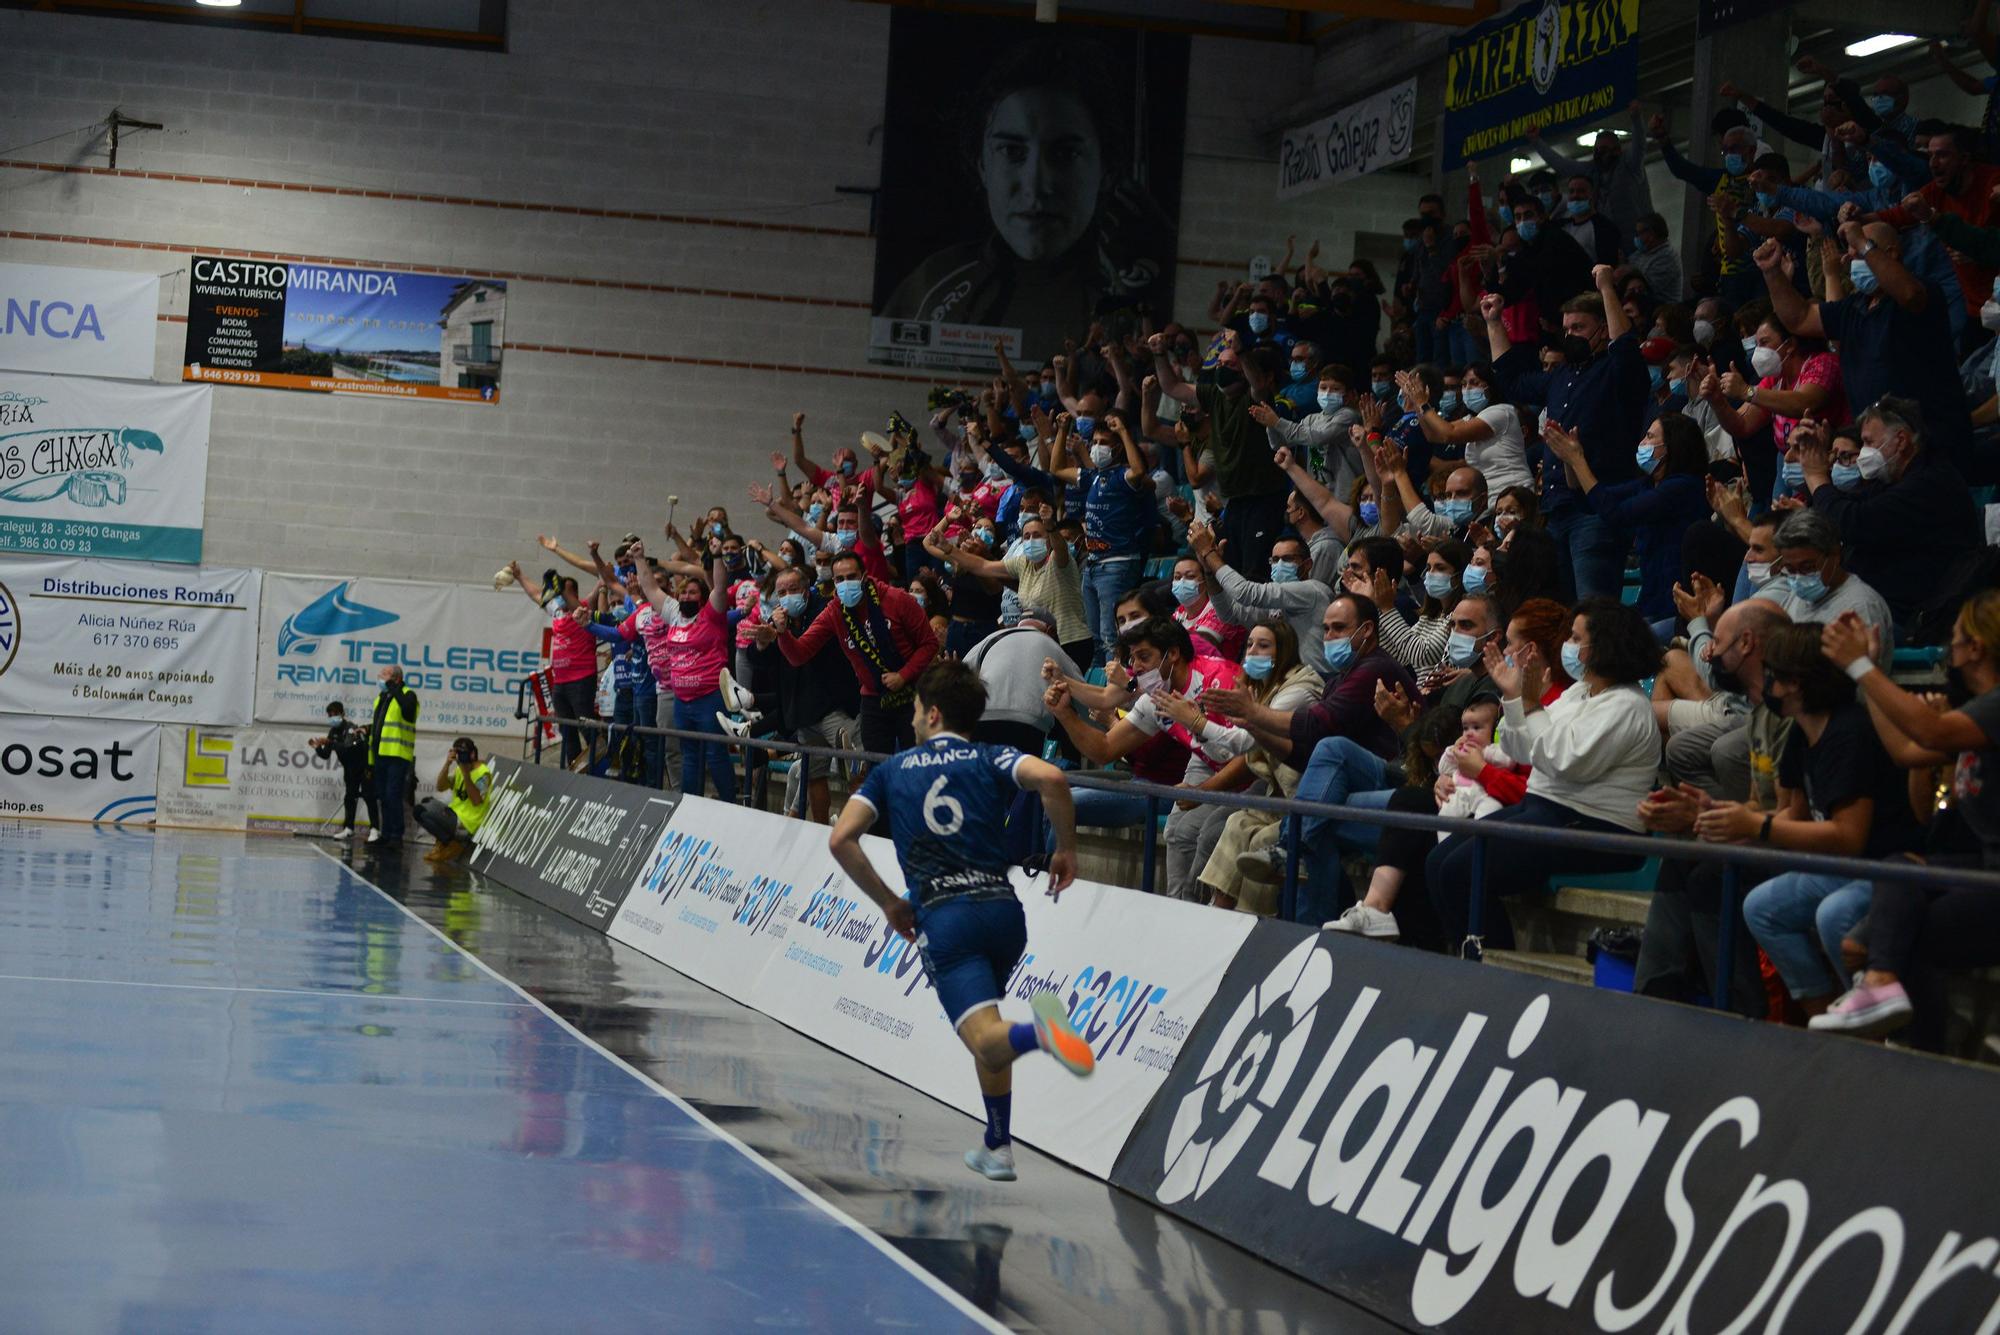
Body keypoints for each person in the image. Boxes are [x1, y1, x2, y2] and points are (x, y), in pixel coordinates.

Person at [827, 661, 1097, 1184]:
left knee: (988, 1039)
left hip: (945, 919)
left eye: (912, 711)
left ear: (931, 712)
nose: (909, 722)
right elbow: (1053, 777)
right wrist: (1065, 849)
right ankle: (998, 1145)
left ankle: (1042, 1034)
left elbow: (841, 839)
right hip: (1003, 913)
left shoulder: (891, 770)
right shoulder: (990, 756)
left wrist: (887, 902)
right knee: (988, 1022)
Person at [876, 40, 1172, 360]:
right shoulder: (933, 286)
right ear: (982, 164)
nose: (1036, 185)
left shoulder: (1141, 294)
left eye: (1065, 153)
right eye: (1012, 151)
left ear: (1107, 169)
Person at [1428, 598, 1662, 953]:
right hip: (1546, 811)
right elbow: (1519, 749)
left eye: (1575, 636)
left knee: (1461, 872)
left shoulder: (1627, 705)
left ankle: (1493, 968)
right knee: (1438, 862)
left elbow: (1564, 759)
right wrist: (1514, 697)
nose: (1567, 644)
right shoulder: (1581, 692)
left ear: (1602, 646)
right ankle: (1459, 957)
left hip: (1594, 828)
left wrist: (1532, 704)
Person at [1815, 597, 2000, 1039]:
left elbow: (1931, 731)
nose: (1946, 648)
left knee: (1899, 940)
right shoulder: (1978, 711)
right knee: (1896, 872)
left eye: (1954, 638)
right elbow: (1907, 751)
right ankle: (1884, 995)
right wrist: (1871, 670)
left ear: (1976, 647)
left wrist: (1862, 668)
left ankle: (1920, 1059)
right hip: (1987, 870)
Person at [1725, 624, 1922, 1018]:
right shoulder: (1803, 729)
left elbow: (1848, 837)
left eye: (1773, 673)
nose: (1767, 683)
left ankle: (1871, 1023)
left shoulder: (1850, 733)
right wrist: (1712, 816)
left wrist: (1756, 828)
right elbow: (1794, 816)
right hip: (1840, 866)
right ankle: (1818, 1015)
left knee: (1835, 914)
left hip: (1882, 866)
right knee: (1762, 906)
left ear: (1794, 683)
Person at [1542, 411, 1710, 629]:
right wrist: (1570, 461)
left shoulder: (1683, 487)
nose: (1642, 442)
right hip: (1653, 604)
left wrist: (1578, 459)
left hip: (1677, 610)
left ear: (1671, 446)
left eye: (1650, 437)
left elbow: (1616, 514)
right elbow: (1590, 502)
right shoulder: (1648, 484)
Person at [775, 548, 939, 760]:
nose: (845, 583)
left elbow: (929, 644)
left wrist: (903, 675)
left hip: (913, 694)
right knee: (873, 768)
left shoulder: (897, 599)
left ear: (864, 576)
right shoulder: (834, 611)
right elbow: (799, 655)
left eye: (851, 577)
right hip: (873, 699)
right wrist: (782, 633)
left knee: (916, 763)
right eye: (839, 579)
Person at [626, 547, 739, 802]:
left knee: (715, 753)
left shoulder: (712, 615)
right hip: (682, 700)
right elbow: (651, 588)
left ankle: (731, 805)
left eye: (693, 592)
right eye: (684, 592)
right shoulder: (674, 614)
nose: (687, 596)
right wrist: (639, 558)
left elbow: (720, 588)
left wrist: (717, 556)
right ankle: (690, 804)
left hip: (710, 698)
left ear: (702, 597)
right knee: (689, 754)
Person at [749, 563, 859, 823]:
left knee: (857, 769)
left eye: (793, 589)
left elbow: (811, 651)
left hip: (833, 706)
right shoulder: (777, 618)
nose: (788, 596)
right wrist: (763, 642)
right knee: (814, 775)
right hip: (801, 711)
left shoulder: (825, 611)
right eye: (782, 592)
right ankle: (821, 829)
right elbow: (760, 661)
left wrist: (781, 635)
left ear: (807, 590)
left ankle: (858, 829)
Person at [511, 568, 600, 769]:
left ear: (574, 594)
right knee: (567, 730)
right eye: (558, 593)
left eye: (563, 592)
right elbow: (536, 594)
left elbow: (599, 588)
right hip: (560, 681)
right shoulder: (557, 611)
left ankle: (602, 765)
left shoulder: (584, 608)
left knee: (586, 726)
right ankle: (574, 768)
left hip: (582, 678)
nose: (559, 597)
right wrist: (519, 575)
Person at [414, 738, 494, 864]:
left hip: (467, 823)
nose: (461, 757)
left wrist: (466, 774)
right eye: (458, 754)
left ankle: (450, 844)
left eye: (463, 753)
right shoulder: (459, 769)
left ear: (472, 754)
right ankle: (444, 843)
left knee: (423, 812)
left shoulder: (483, 773)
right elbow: (440, 786)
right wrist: (447, 764)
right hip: (454, 814)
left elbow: (476, 801)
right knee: (424, 804)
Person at [310, 699, 375, 840]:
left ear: (342, 713)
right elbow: (326, 754)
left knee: (369, 797)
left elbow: (347, 749)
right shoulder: (332, 731)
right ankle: (348, 828)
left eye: (335, 714)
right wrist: (317, 747)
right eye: (330, 715)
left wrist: (330, 742)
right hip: (350, 769)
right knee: (350, 797)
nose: (332, 717)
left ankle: (375, 829)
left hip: (363, 766)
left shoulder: (350, 728)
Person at [367, 665, 417, 847]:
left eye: (384, 674)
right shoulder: (382, 697)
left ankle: (397, 835)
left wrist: (395, 689)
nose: (380, 677)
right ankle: (386, 833)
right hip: (380, 754)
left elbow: (409, 713)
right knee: (382, 795)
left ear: (396, 678)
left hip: (397, 754)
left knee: (393, 794)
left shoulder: (407, 694)